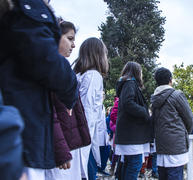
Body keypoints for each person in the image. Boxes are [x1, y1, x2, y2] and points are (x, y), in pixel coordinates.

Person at [0, 0, 78, 179]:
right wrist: (71, 89)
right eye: (69, 38)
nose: (73, 45)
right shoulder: (29, 7)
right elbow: (44, 59)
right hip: (20, 139)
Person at [45, 20, 91, 180]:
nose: (73, 45)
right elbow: (50, 112)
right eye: (69, 39)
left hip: (69, 144)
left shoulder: (62, 67)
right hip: (62, 147)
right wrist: (61, 150)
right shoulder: (51, 69)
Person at [73, 37, 109, 180]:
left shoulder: (79, 74)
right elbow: (87, 111)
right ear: (98, 55)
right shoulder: (93, 76)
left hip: (79, 136)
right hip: (85, 139)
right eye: (105, 54)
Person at [151, 67, 193, 180]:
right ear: (170, 80)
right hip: (176, 145)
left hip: (160, 144)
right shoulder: (177, 95)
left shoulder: (154, 98)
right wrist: (185, 133)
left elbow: (153, 121)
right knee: (175, 175)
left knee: (163, 175)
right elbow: (189, 119)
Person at [115, 61, 152, 180]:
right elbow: (128, 103)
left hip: (129, 133)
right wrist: (145, 112)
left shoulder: (127, 83)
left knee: (129, 163)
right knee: (134, 164)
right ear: (137, 72)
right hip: (132, 133)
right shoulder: (130, 83)